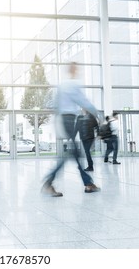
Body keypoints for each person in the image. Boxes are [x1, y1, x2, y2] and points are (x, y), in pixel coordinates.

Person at [42, 62, 101, 197]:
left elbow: (53, 104)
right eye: (77, 68)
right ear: (73, 70)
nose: (78, 71)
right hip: (68, 120)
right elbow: (83, 101)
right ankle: (49, 182)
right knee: (72, 154)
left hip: (64, 120)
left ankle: (88, 184)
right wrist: (97, 113)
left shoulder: (62, 85)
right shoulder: (72, 85)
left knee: (74, 154)